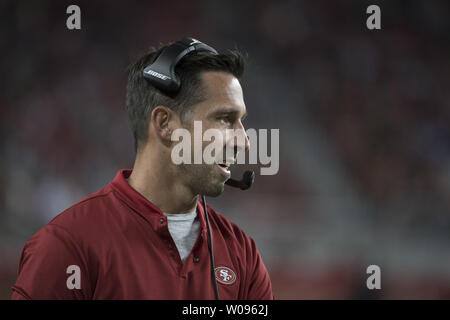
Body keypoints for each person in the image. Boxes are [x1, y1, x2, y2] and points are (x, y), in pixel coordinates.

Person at [11, 39, 274, 300]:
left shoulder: (242, 255)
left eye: (240, 122)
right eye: (225, 119)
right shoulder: (67, 247)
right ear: (165, 123)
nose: (245, 141)